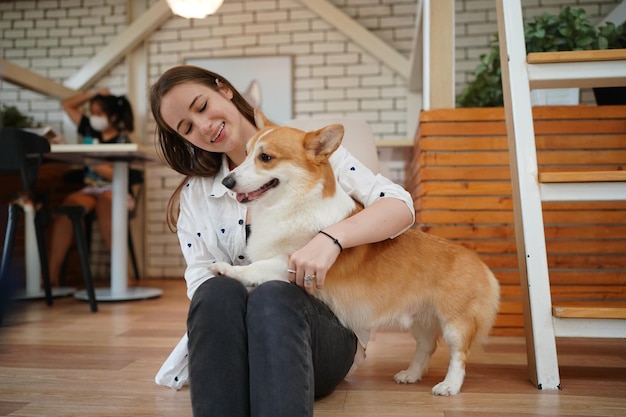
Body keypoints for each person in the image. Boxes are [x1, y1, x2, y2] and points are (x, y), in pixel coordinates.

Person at [149, 65, 415, 417]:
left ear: (224, 89)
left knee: (274, 295)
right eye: (186, 128)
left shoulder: (309, 152)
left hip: (317, 336)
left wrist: (332, 238)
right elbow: (200, 279)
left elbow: (399, 206)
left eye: (201, 107)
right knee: (213, 290)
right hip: (236, 348)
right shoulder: (196, 197)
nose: (203, 127)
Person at [47, 89, 135, 286]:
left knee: (106, 204)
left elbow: (115, 174)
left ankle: (121, 275)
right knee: (67, 209)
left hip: (116, 190)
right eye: (92, 112)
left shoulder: (122, 140)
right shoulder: (88, 130)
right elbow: (67, 104)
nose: (94, 117)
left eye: (99, 113)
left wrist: (89, 159)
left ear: (112, 116)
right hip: (90, 190)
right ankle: (51, 276)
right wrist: (94, 93)